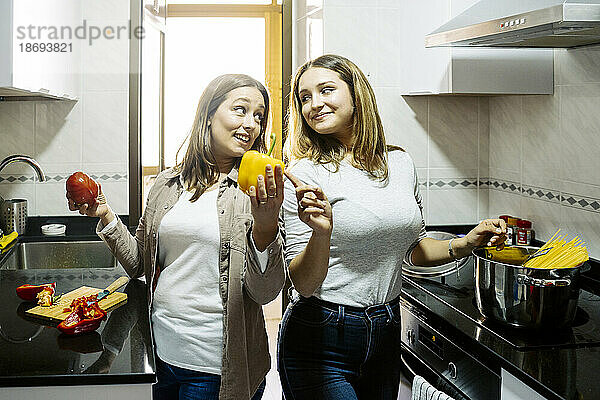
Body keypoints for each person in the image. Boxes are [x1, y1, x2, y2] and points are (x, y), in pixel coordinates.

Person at [278, 54, 506, 400]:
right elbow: (304, 283)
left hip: (386, 330)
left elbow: (413, 249)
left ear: (357, 95)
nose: (314, 104)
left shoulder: (399, 163)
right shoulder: (305, 173)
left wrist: (466, 243)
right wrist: (321, 233)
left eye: (326, 90)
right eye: (305, 97)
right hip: (320, 335)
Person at [68, 74, 286, 400]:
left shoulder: (255, 190)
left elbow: (266, 292)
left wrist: (267, 228)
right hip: (162, 356)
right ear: (208, 115)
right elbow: (141, 264)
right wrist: (105, 215)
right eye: (240, 110)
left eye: (258, 116)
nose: (251, 124)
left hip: (217, 369)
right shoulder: (168, 184)